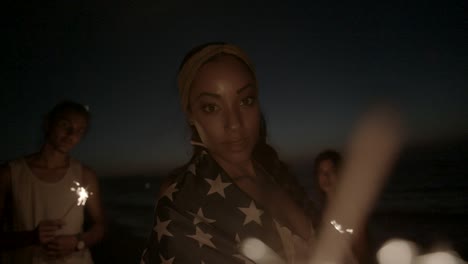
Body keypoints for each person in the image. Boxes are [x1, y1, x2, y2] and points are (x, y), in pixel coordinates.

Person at [141, 43, 314, 263]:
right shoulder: (183, 201)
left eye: (245, 101)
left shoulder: (277, 173)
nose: (234, 124)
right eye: (211, 107)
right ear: (190, 115)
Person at [0, 101, 106, 263]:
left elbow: (100, 227)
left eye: (80, 131)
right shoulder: (9, 173)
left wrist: (77, 242)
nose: (71, 134)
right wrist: (31, 237)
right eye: (65, 125)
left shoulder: (85, 175)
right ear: (48, 123)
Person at [312, 149, 373, 264]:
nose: (326, 176)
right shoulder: (322, 209)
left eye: (332, 171)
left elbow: (362, 249)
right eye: (321, 172)